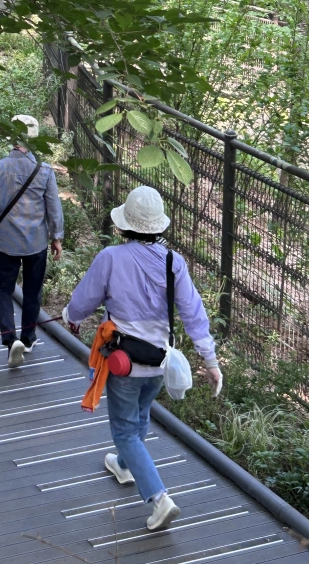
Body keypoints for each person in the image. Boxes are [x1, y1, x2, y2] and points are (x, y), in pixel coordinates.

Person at [62, 185, 223, 533]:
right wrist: (210, 360)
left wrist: (70, 316)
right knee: (140, 415)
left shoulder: (111, 258)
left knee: (124, 430)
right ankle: (124, 465)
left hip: (124, 362)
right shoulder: (173, 262)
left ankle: (159, 498)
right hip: (159, 361)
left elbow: (83, 301)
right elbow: (193, 313)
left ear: (125, 224)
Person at [0, 115, 64, 367]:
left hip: (6, 242)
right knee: (33, 291)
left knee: (3, 290)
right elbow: (54, 208)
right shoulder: (44, 170)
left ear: (11, 137)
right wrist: (57, 237)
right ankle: (28, 337)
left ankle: (10, 338)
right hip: (36, 243)